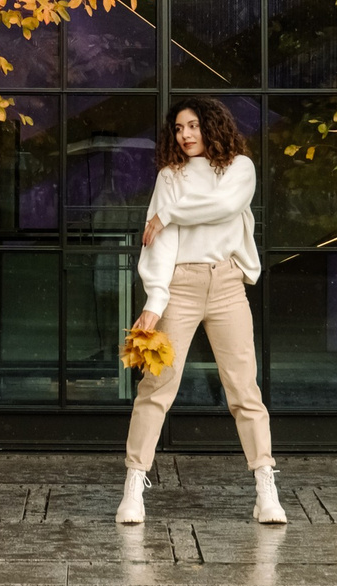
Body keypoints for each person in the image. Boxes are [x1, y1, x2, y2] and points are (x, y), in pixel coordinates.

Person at [118, 97, 286, 525]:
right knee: (156, 388)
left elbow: (225, 207)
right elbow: (160, 242)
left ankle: (265, 488)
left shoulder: (240, 169)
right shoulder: (169, 176)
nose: (185, 135)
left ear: (212, 127)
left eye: (193, 126)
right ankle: (134, 486)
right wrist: (156, 300)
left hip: (227, 282)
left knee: (244, 390)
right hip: (181, 285)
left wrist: (170, 214)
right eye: (178, 129)